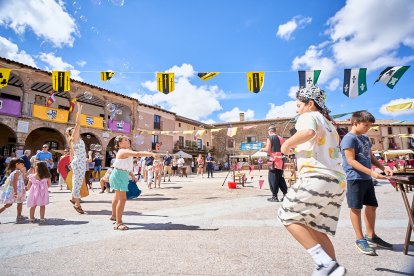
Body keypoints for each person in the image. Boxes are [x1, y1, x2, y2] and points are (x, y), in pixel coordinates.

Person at [278, 86, 347, 275]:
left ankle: (326, 264)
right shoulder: (330, 125)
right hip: (338, 180)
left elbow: (308, 132)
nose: (297, 109)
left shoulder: (308, 116)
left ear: (310, 104)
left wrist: (286, 144)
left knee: (287, 215)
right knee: (315, 227)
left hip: (318, 176)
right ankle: (332, 268)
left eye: (299, 105)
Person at [340, 111, 393, 255]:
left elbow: (371, 158)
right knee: (356, 208)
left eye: (370, 126)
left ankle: (371, 235)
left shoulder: (365, 138)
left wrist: (383, 167)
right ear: (355, 122)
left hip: (367, 178)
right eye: (365, 125)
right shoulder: (348, 139)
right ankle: (360, 238)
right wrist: (372, 172)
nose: (368, 128)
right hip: (354, 178)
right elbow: (351, 161)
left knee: (372, 206)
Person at [109, 135, 154, 230]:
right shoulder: (123, 151)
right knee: (122, 199)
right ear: (120, 143)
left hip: (121, 174)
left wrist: (132, 175)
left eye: (127, 139)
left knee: (117, 197)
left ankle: (114, 216)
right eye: (125, 139)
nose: (128, 140)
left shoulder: (125, 152)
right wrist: (151, 154)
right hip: (119, 176)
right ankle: (118, 223)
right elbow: (137, 153)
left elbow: (125, 166)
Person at [65, 103, 87, 214]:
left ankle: (74, 199)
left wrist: (71, 164)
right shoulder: (75, 137)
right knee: (77, 183)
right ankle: (77, 204)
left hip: (78, 162)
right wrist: (79, 110)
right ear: (71, 133)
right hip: (79, 163)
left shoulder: (74, 140)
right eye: (73, 130)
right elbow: (78, 123)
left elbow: (72, 154)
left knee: (76, 182)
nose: (76, 129)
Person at [261, 125, 288, 202]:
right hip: (281, 161)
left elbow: (268, 149)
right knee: (280, 178)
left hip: (273, 161)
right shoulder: (281, 138)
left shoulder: (270, 138)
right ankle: (285, 194)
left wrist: (262, 149)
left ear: (269, 131)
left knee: (272, 179)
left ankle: (274, 197)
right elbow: (284, 149)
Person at [0, 158, 27, 223]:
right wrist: (15, 191)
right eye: (22, 164)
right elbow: (14, 182)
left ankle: (19, 215)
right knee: (10, 204)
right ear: (17, 164)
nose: (23, 165)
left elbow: (21, 180)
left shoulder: (17, 171)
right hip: (16, 190)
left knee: (19, 202)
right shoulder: (16, 172)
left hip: (18, 190)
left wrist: (24, 172)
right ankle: (19, 216)